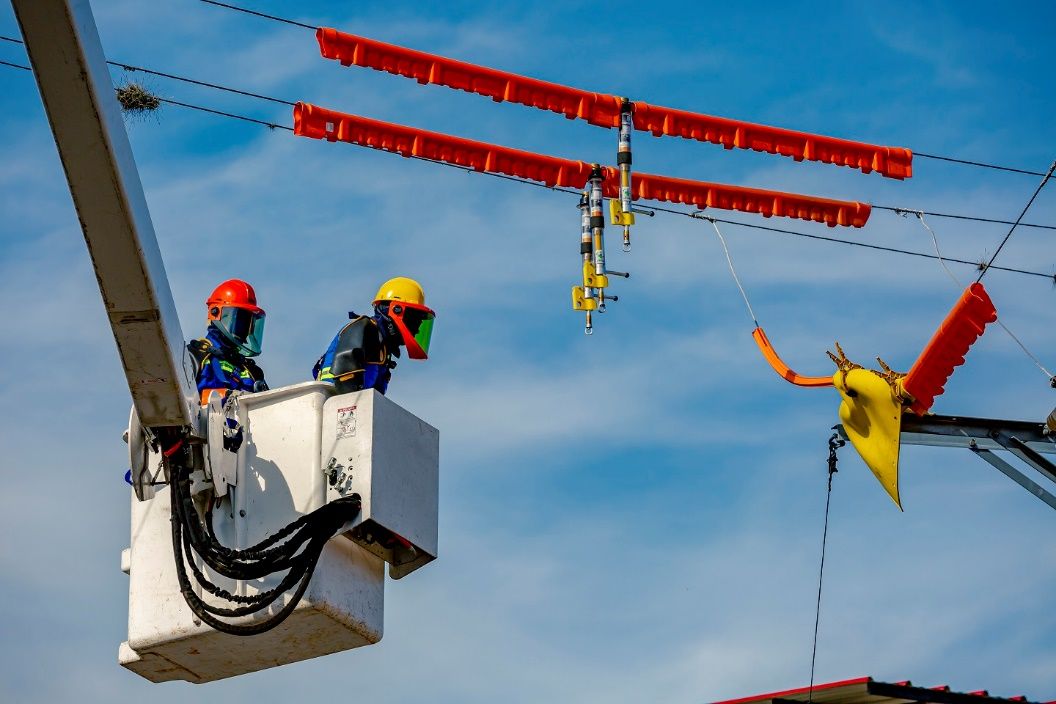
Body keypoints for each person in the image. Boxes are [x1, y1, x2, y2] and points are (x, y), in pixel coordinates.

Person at [313, 277, 435, 395]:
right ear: (396, 310)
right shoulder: (364, 329)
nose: (417, 330)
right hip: (333, 405)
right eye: (415, 321)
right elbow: (346, 385)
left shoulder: (383, 346)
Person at [188, 279, 268, 405]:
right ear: (216, 313)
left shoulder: (253, 373)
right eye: (239, 319)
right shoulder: (195, 356)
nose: (243, 328)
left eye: (248, 322)